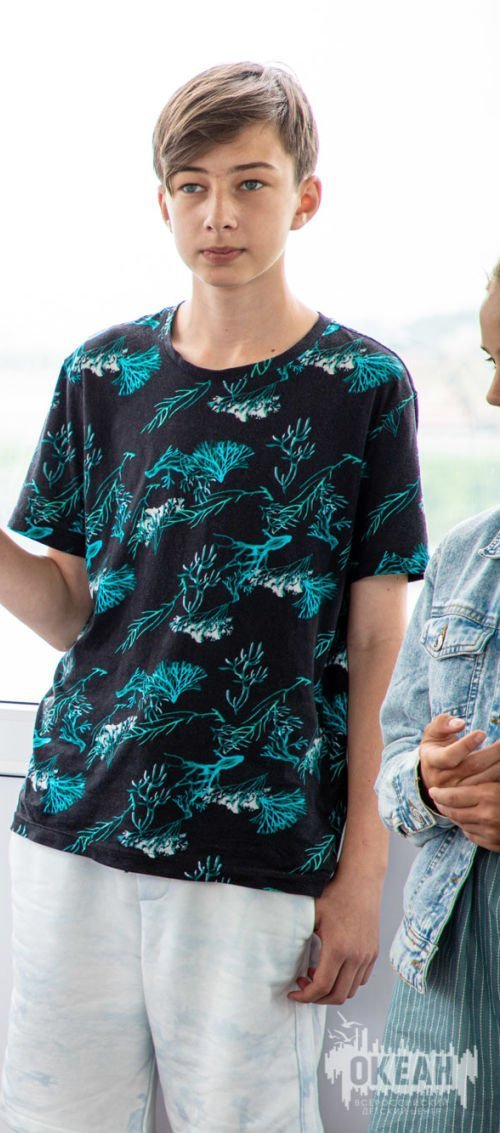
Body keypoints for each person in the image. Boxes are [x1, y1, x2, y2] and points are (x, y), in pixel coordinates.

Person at [0, 62, 427, 1131]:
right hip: (75, 825)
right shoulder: (99, 375)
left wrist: (362, 869)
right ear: (162, 202)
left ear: (304, 197)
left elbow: (380, 642)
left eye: (249, 183)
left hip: (257, 845)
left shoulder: (363, 387)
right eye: (192, 186)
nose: (217, 213)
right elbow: (69, 610)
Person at [367, 265, 500, 1131]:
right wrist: (426, 778)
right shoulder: (461, 556)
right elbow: (393, 764)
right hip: (446, 979)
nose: (493, 394)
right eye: (491, 359)